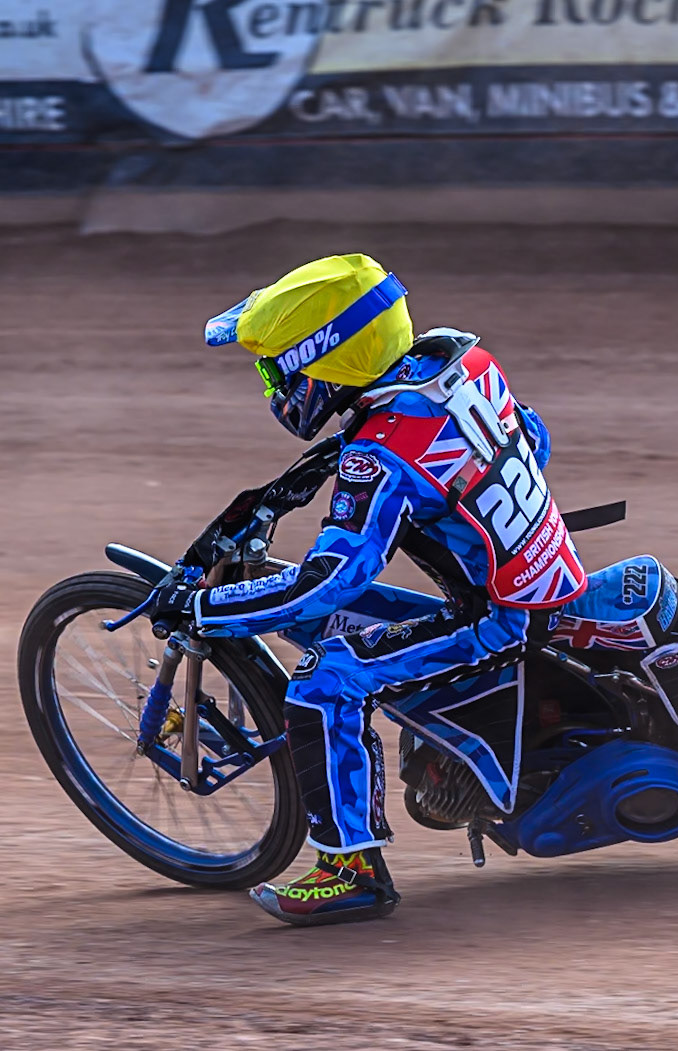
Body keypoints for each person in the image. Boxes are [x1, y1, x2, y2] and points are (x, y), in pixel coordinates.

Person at [152, 254, 587, 926]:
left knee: (326, 681)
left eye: (275, 370)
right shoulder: (459, 364)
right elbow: (534, 436)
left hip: (504, 618)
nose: (272, 387)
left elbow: (327, 585)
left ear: (323, 363)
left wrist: (201, 607)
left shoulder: (378, 455)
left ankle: (350, 871)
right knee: (318, 619)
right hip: (543, 574)